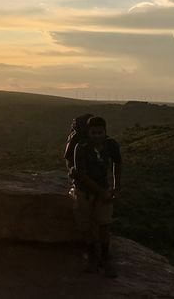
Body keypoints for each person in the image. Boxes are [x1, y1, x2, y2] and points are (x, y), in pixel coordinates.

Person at [71, 116, 122, 278]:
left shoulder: (111, 145)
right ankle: (92, 257)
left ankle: (105, 258)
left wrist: (116, 186)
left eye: (100, 132)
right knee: (85, 225)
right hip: (84, 191)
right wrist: (103, 192)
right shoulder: (81, 147)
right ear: (88, 132)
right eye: (94, 132)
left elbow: (118, 163)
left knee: (104, 224)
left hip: (104, 189)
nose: (97, 135)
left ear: (105, 132)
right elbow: (81, 175)